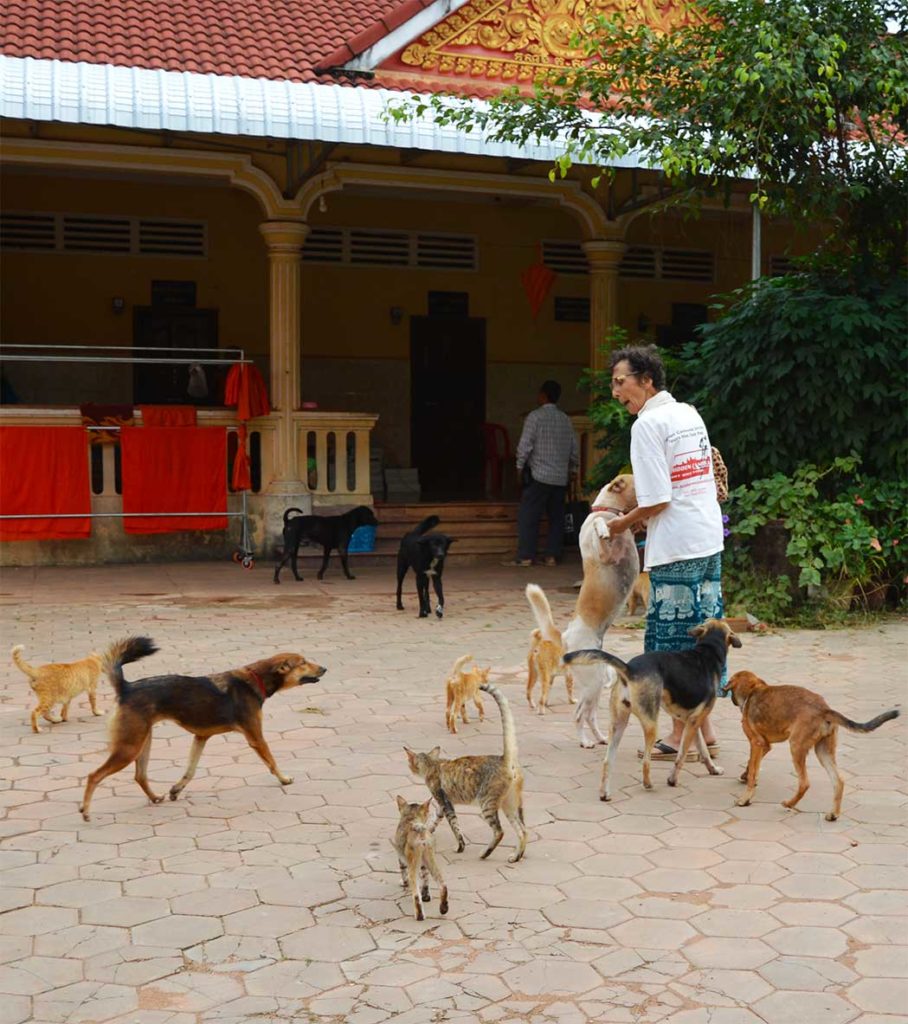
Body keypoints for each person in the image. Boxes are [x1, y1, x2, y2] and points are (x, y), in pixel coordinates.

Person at [605, 345, 726, 759]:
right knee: (704, 636)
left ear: (646, 380)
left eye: (621, 382)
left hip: (678, 542)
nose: (616, 392)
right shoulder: (687, 412)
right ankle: (704, 733)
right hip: (708, 536)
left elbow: (657, 499)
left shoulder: (647, 425)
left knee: (675, 641)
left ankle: (677, 739)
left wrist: (618, 525)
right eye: (613, 383)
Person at [503, 380, 579, 567]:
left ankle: (526, 556)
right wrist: (573, 470)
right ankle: (552, 556)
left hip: (539, 475)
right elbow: (573, 448)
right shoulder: (565, 419)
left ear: (543, 395)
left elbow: (524, 446)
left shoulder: (534, 417)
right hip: (560, 478)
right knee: (556, 518)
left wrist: (519, 468)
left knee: (529, 516)